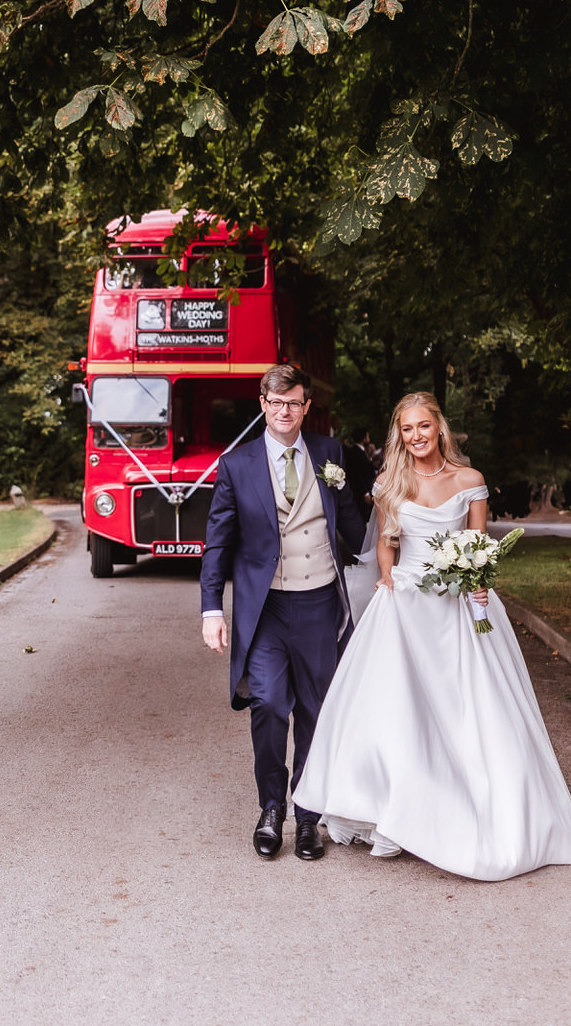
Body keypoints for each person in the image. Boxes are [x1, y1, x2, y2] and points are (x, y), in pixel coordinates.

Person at [294, 390, 571, 880]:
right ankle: (395, 813)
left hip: (459, 606)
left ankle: (485, 805)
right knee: (398, 711)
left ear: (439, 429)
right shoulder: (391, 482)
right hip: (407, 603)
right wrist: (388, 579)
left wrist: (479, 585)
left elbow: (477, 547)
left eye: (423, 427)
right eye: (406, 429)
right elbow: (388, 544)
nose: (415, 437)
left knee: (474, 711)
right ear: (401, 435)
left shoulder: (470, 481)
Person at [200, 364, 368, 861]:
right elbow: (217, 545)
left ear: (306, 406)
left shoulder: (330, 454)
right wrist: (212, 608)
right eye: (275, 403)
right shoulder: (236, 465)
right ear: (262, 404)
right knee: (270, 704)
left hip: (319, 602)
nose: (284, 412)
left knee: (317, 712)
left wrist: (390, 565)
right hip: (266, 608)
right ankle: (271, 808)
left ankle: (309, 816)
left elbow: (353, 523)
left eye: (293, 403)